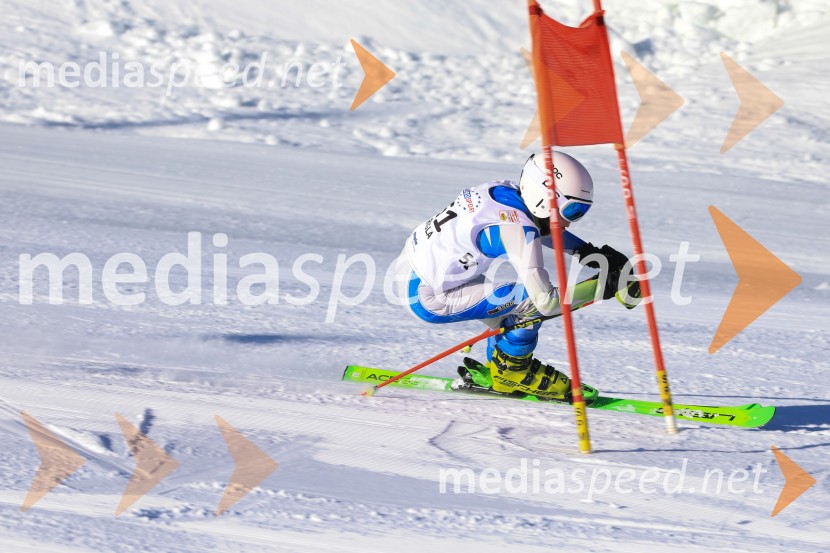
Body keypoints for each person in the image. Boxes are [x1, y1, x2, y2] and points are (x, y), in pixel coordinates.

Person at [396, 151, 639, 401]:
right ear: (547, 199)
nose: (570, 222)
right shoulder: (516, 230)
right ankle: (512, 372)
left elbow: (538, 226)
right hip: (429, 296)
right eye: (573, 210)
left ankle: (499, 367)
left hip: (415, 268)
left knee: (512, 308)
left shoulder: (503, 192)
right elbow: (546, 301)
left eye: (580, 211)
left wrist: (588, 252)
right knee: (530, 303)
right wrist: (605, 287)